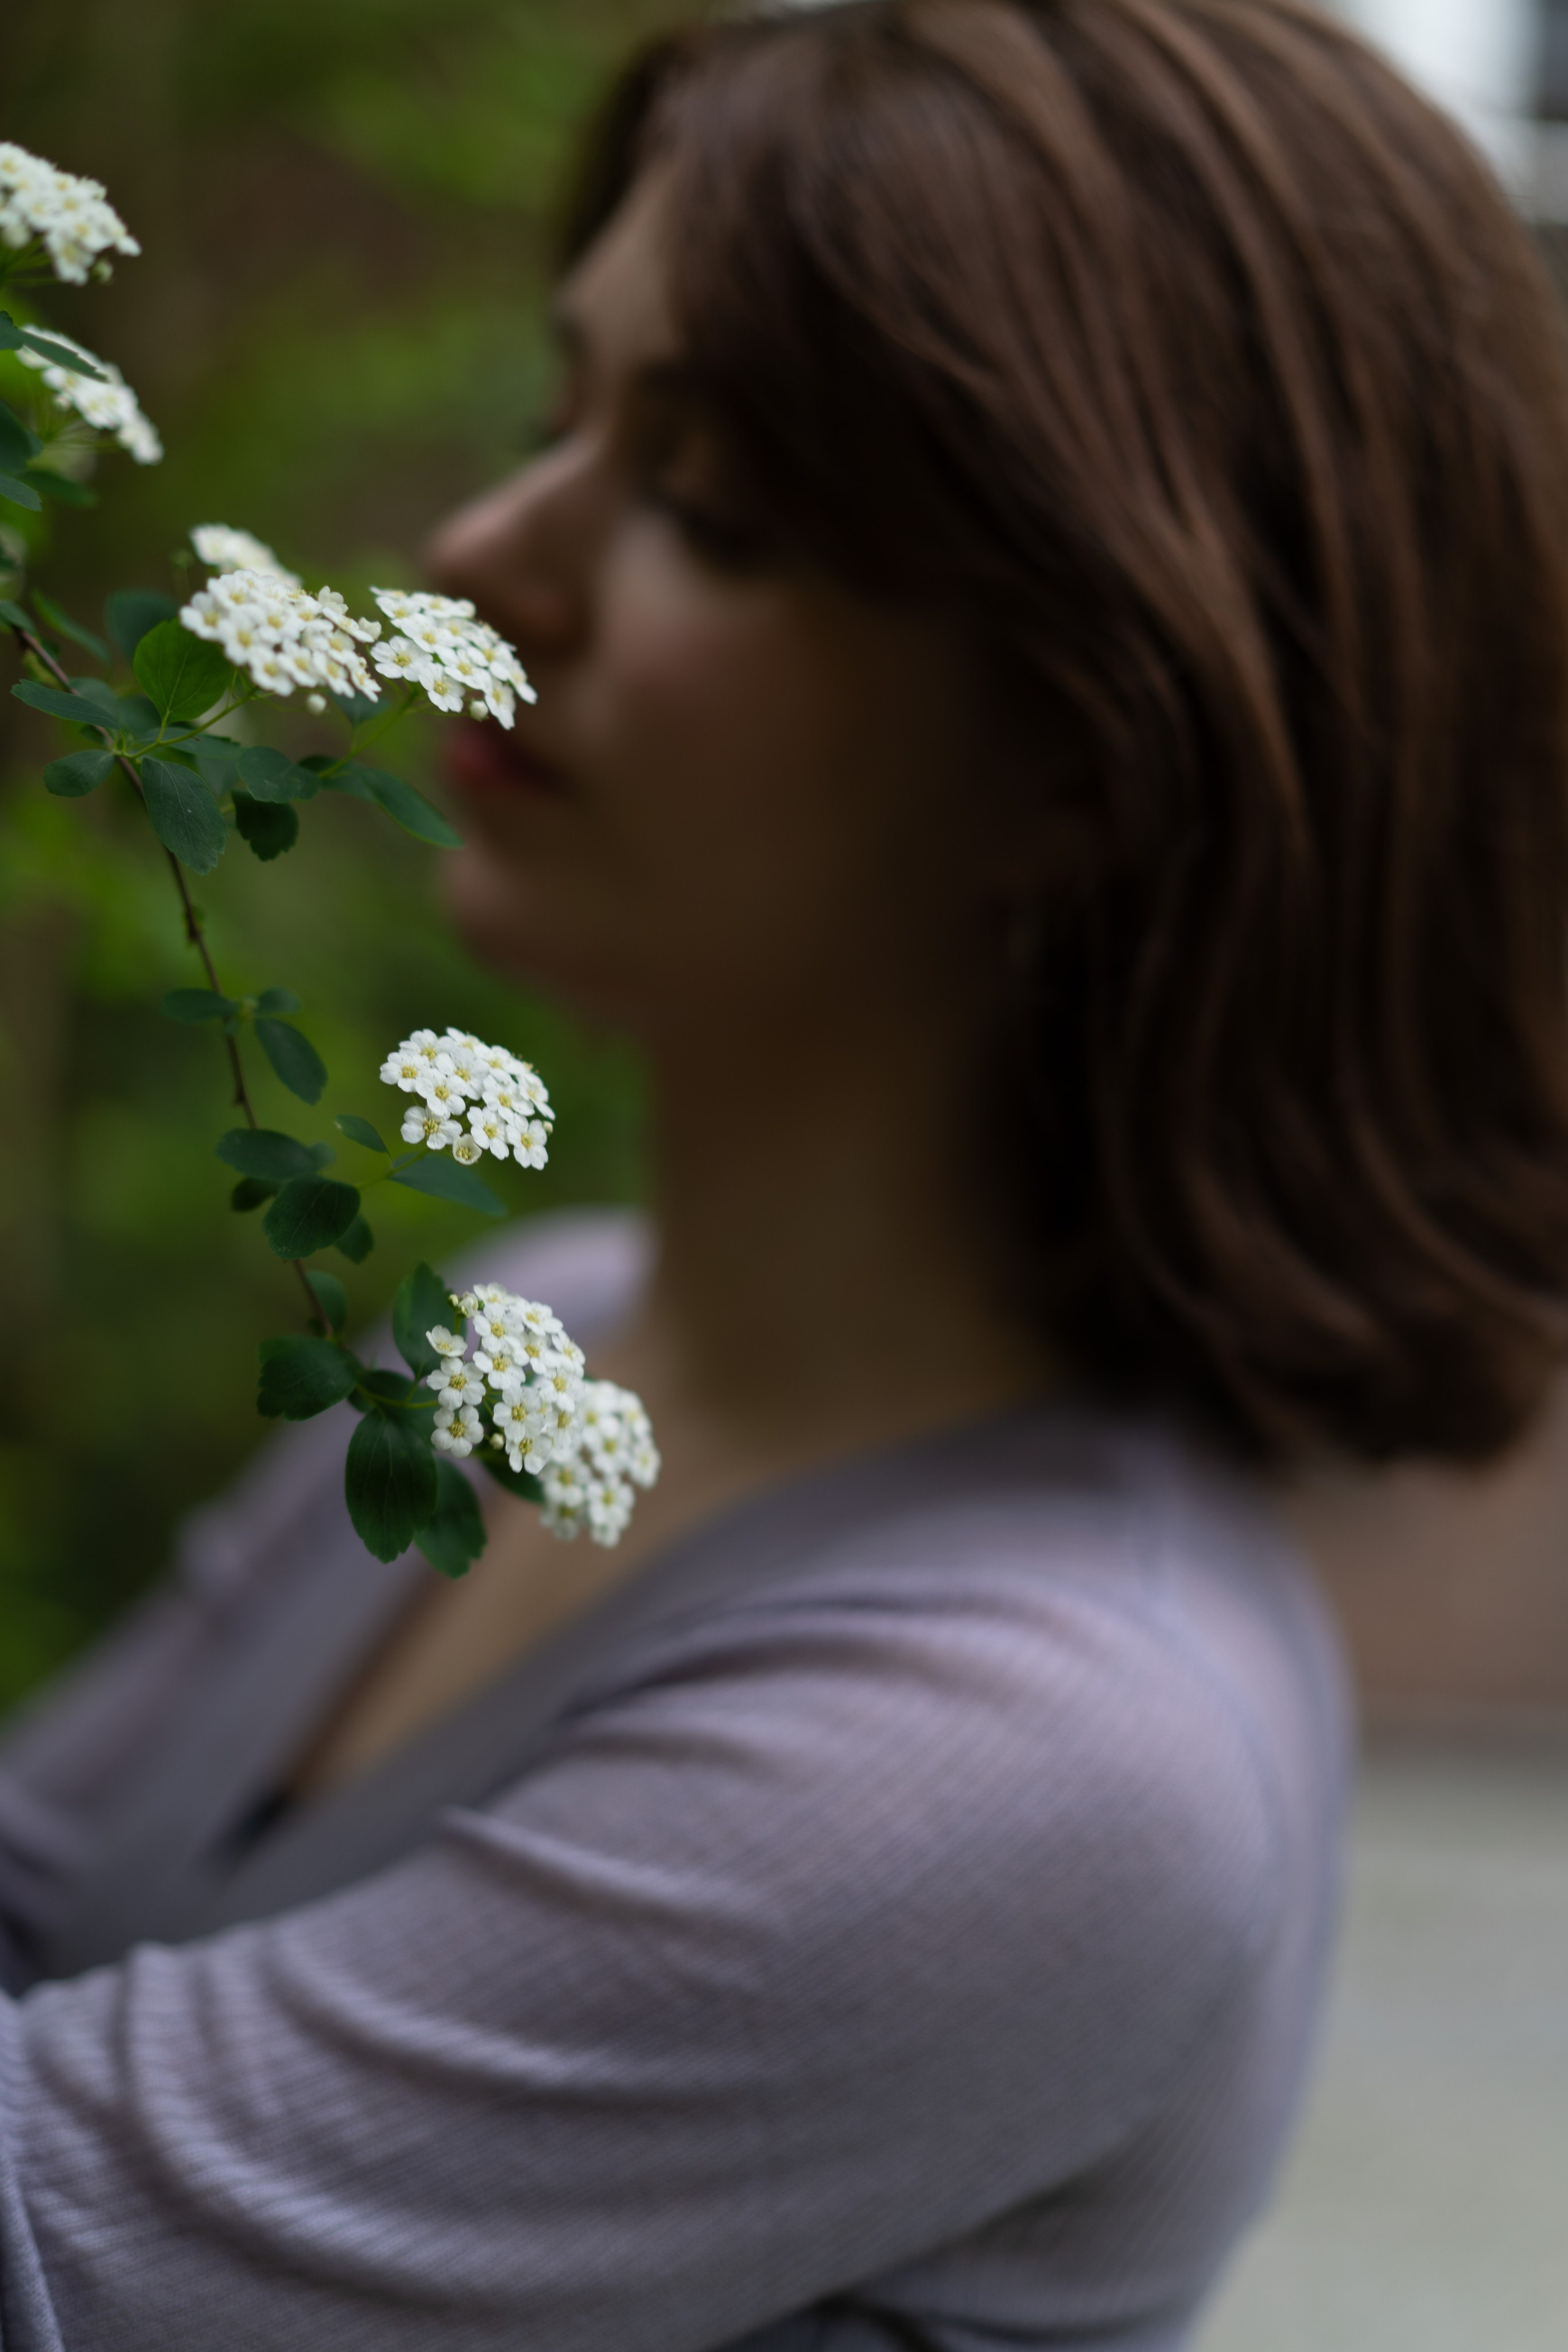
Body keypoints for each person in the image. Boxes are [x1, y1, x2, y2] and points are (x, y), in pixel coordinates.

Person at [5, 2, 1568, 2343]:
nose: (481, 553)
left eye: (711, 509)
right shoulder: (528, 1322)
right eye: (558, 417)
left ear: (1097, 747)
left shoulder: (1041, 1756)